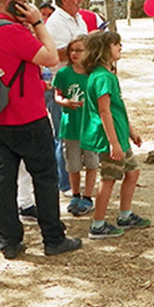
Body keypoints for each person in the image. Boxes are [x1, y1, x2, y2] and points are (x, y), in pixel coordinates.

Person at [0, 0, 82, 259]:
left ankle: (9, 240)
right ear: (12, 4)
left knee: (4, 176)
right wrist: (37, 23)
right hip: (26, 116)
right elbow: (48, 57)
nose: (29, 6)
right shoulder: (10, 31)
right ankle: (53, 238)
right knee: (45, 176)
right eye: (24, 1)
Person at [79, 30, 150, 239]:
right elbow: (104, 111)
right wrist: (113, 142)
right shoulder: (102, 77)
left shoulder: (108, 75)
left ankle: (125, 216)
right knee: (108, 179)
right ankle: (98, 225)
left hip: (119, 135)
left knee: (133, 172)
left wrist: (130, 131)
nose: (120, 47)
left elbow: (118, 108)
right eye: (115, 44)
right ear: (103, 49)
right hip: (111, 139)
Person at [43, 0, 88, 193]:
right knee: (63, 135)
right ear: (64, 0)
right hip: (61, 86)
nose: (80, 0)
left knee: (79, 134)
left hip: (80, 84)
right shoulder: (55, 24)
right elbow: (57, 54)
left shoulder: (79, 19)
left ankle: (76, 180)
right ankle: (64, 182)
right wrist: (83, 47)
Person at [53, 34, 97, 216]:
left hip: (90, 128)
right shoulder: (64, 73)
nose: (74, 54)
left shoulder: (93, 73)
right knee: (73, 165)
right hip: (71, 127)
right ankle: (75, 194)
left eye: (79, 50)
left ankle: (87, 197)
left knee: (92, 163)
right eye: (72, 50)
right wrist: (65, 102)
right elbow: (57, 95)